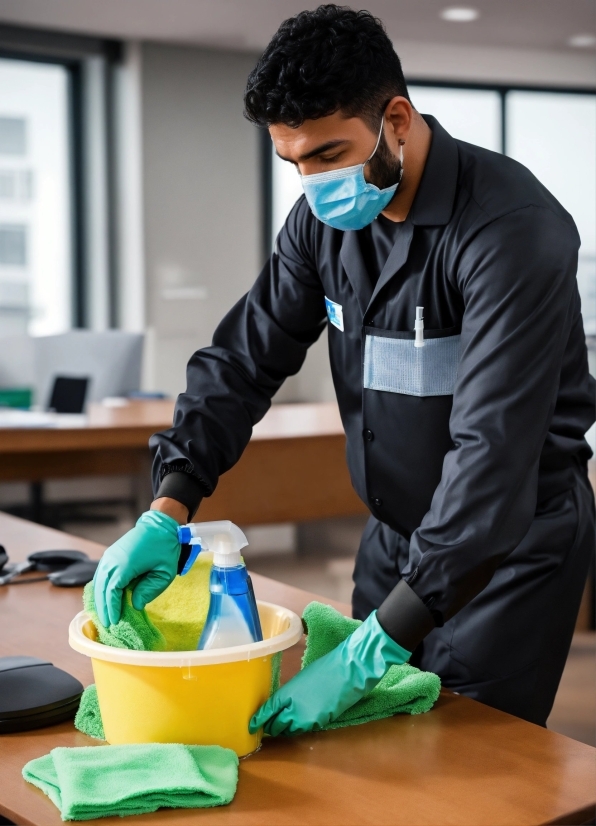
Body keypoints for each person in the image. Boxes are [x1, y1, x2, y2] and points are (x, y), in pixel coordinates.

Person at [93, 5, 595, 734]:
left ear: (395, 119)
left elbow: (493, 457)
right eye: (292, 162)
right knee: (378, 752)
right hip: (393, 535)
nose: (312, 182)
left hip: (509, 551)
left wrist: (373, 650)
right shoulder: (320, 227)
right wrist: (168, 506)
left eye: (328, 155)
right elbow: (241, 361)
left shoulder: (511, 232)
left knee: (471, 770)